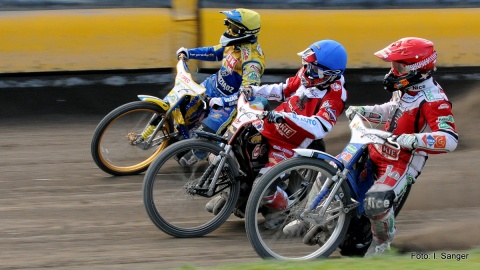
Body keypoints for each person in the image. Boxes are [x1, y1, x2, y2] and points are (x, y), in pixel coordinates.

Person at [283, 37, 459, 257]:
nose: (393, 70)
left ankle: (382, 243)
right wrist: (363, 111)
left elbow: (449, 138)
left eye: (399, 66)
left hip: (401, 162)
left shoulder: (434, 100)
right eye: (393, 65)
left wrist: (411, 140)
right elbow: (391, 109)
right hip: (374, 145)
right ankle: (306, 217)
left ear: (417, 68)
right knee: (329, 169)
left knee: (375, 201)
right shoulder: (407, 87)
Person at [205, 40, 349, 225]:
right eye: (307, 64)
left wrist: (287, 118)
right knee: (233, 151)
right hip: (271, 124)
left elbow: (320, 127)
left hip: (291, 142)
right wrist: (254, 91)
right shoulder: (307, 72)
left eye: (313, 68)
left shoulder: (335, 96)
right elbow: (283, 90)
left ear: (330, 75)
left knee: (263, 186)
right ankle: (234, 195)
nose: (307, 70)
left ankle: (287, 210)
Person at [176, 8, 265, 166]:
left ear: (245, 32)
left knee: (204, 134)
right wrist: (189, 53)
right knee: (183, 104)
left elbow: (247, 95)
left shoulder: (253, 61)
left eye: (233, 27)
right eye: (228, 24)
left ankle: (201, 152)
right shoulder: (234, 44)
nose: (228, 30)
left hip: (228, 103)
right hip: (211, 86)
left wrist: (223, 102)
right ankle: (186, 138)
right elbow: (214, 52)